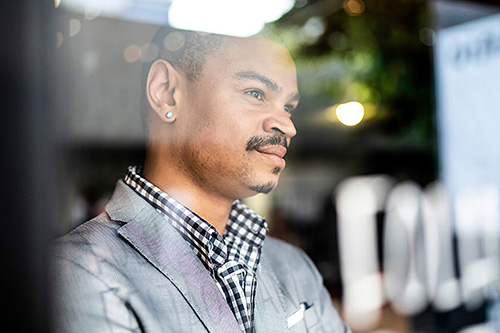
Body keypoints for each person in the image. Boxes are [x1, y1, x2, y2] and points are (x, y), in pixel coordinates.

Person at [50, 25, 349, 332]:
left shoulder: (294, 267)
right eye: (255, 93)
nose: (287, 125)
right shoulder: (78, 272)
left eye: (288, 107)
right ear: (166, 93)